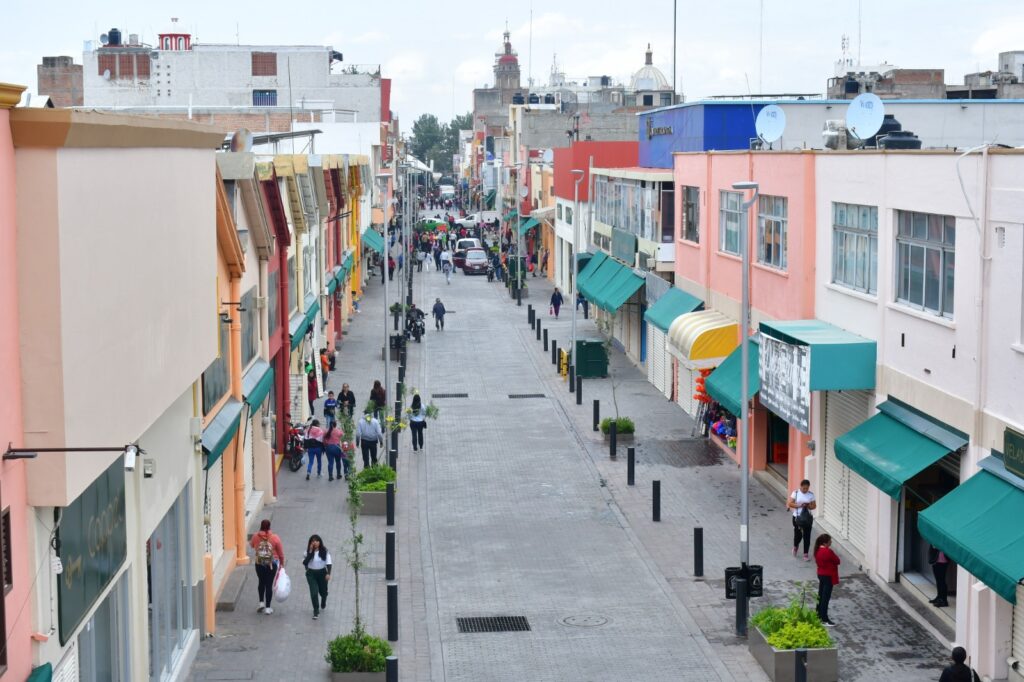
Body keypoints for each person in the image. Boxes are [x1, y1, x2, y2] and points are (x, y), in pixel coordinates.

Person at [250, 519, 285, 614]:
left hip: (259, 563)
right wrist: (282, 564)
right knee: (269, 585)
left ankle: (261, 603)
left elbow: (252, 545)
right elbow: (281, 554)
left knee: (261, 582)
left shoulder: (255, 536)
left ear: (260, 526)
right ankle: (268, 608)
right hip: (272, 564)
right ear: (269, 527)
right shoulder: (275, 537)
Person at [302, 534, 332, 620]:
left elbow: (329, 563)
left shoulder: (324, 551)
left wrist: (328, 573)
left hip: (322, 573)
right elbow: (305, 563)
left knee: (323, 592)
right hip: (311, 574)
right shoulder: (307, 552)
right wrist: (310, 553)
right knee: (314, 592)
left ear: (320, 542)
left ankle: (324, 599)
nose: (315, 543)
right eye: (313, 541)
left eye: (316, 541)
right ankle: (316, 611)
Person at [813, 533, 840, 627]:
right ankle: (824, 619)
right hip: (828, 576)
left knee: (820, 595)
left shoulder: (817, 550)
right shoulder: (828, 551)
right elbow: (837, 561)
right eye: (829, 541)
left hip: (821, 574)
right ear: (825, 543)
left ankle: (818, 614)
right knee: (825, 598)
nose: (831, 542)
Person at [787, 479, 816, 560]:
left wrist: (808, 506)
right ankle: (795, 546)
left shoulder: (811, 495)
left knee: (807, 536)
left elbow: (814, 506)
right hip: (797, 517)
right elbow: (790, 503)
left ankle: (805, 554)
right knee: (798, 535)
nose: (805, 490)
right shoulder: (796, 493)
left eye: (807, 488)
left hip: (807, 518)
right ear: (801, 486)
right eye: (804, 488)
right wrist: (799, 505)